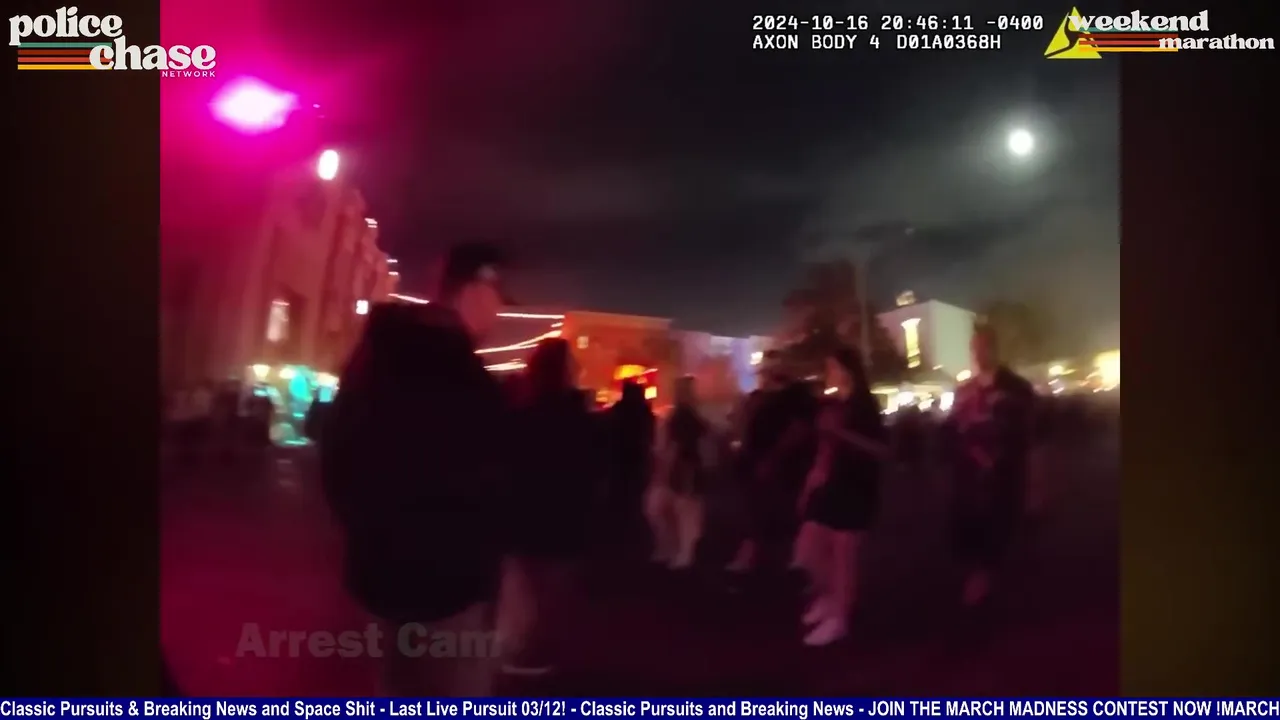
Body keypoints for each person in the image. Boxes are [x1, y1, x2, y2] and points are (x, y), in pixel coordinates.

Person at [320, 242, 513, 696]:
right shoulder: (464, 379)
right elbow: (489, 487)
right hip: (448, 588)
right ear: (473, 291)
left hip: (378, 575)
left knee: (394, 685)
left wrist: (368, 533)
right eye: (497, 296)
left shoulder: (378, 355)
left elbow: (337, 458)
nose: (499, 312)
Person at [498, 338, 596, 677]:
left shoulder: (519, 412)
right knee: (551, 589)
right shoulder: (579, 417)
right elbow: (590, 470)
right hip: (564, 515)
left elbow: (506, 464)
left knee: (524, 587)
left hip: (523, 512)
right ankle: (537, 651)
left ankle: (524, 648)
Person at [793, 346, 888, 647]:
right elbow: (825, 451)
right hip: (832, 486)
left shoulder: (864, 405)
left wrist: (841, 434)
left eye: (833, 367)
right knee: (810, 549)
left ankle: (840, 618)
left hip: (857, 486)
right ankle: (831, 599)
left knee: (844, 556)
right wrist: (811, 483)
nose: (829, 373)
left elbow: (881, 450)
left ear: (848, 370)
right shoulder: (836, 404)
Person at [945, 325, 1036, 608]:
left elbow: (1027, 433)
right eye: (974, 348)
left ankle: (986, 582)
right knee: (970, 531)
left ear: (995, 348)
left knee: (998, 531)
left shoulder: (1017, 388)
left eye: (983, 347)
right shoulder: (964, 390)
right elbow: (951, 429)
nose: (978, 353)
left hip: (1001, 475)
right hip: (969, 476)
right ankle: (981, 577)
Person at [728, 354, 820, 574]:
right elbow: (744, 426)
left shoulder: (798, 396)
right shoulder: (761, 398)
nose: (766, 373)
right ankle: (760, 558)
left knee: (783, 513)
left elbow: (798, 429)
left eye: (772, 367)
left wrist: (773, 457)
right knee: (758, 512)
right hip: (757, 463)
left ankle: (794, 562)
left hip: (786, 466)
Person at [647, 376, 710, 569]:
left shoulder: (682, 418)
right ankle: (679, 553)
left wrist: (662, 470)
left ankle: (679, 554)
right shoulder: (688, 417)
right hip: (684, 471)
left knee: (679, 513)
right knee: (681, 514)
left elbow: (673, 447)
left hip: (682, 471)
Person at [604, 380, 656, 556]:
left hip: (619, 462)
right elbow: (650, 437)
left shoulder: (616, 412)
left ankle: (619, 538)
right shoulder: (645, 413)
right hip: (638, 462)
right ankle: (636, 538)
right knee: (637, 501)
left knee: (621, 500)